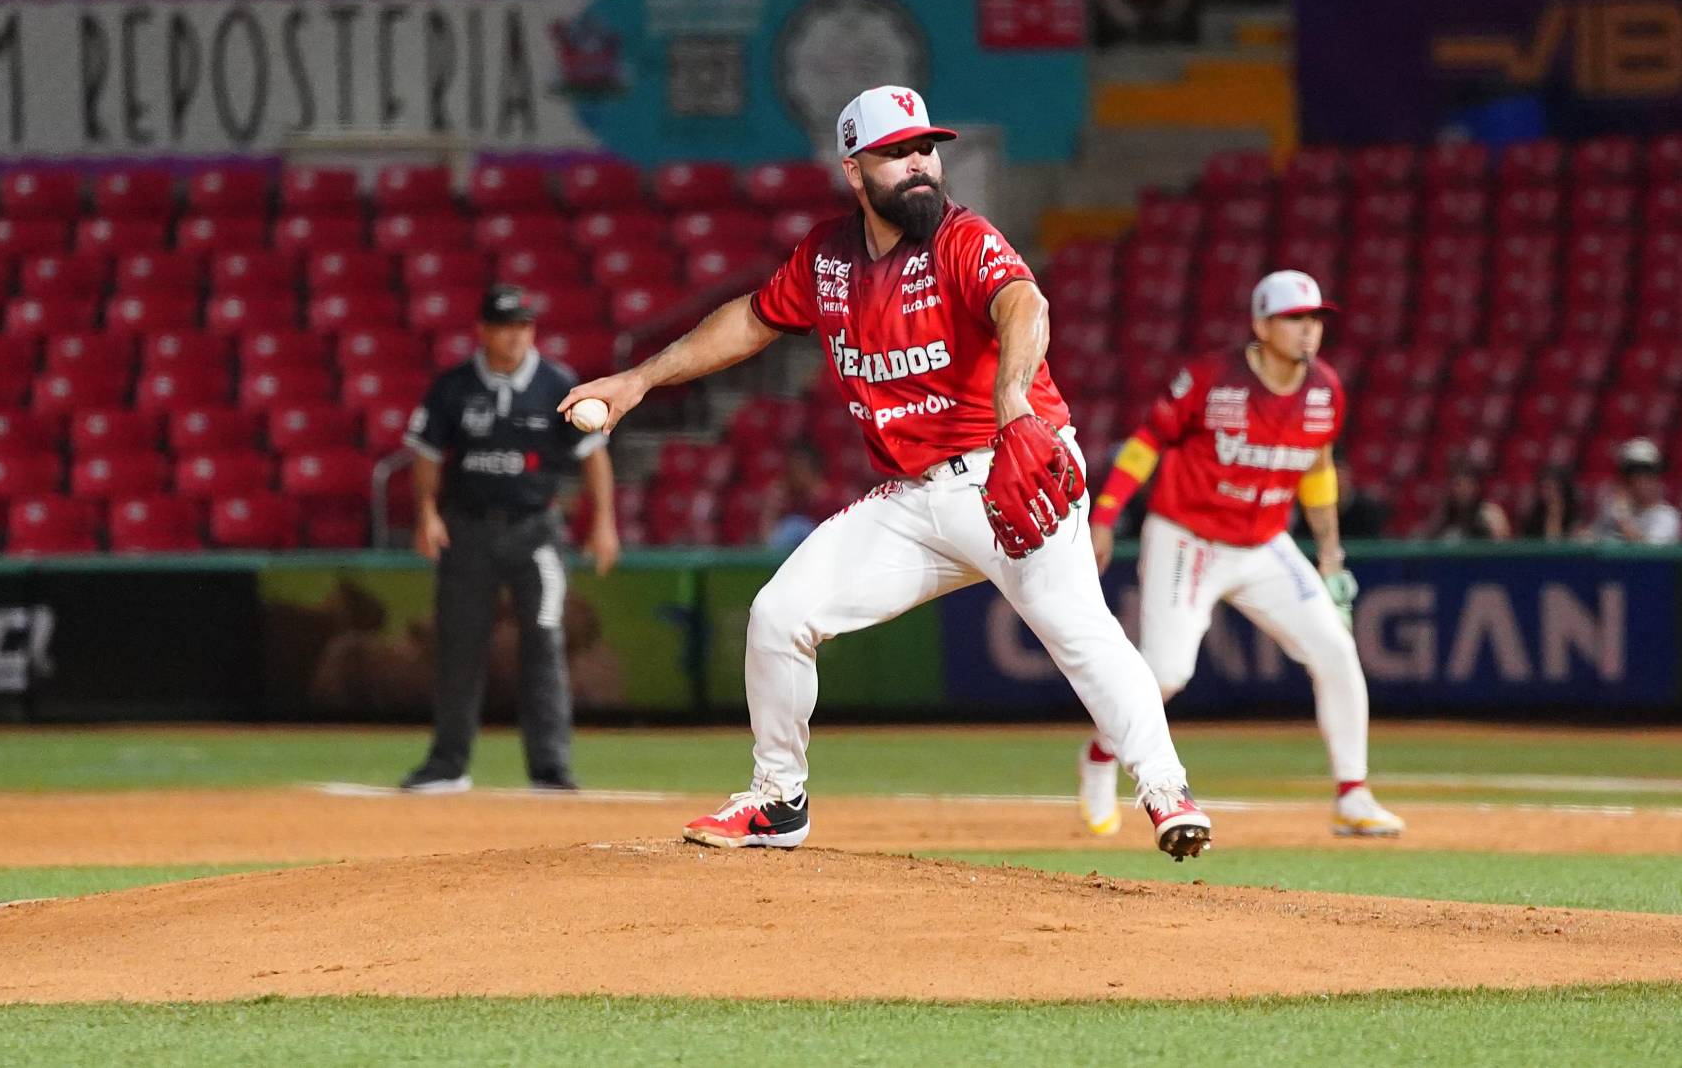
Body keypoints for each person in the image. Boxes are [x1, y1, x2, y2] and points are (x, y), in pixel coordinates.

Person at [561, 86, 1211, 859]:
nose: (919, 166)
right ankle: (778, 801)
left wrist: (1015, 408)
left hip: (1010, 469)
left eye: (925, 149)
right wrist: (637, 381)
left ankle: (1165, 789)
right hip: (910, 500)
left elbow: (1023, 304)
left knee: (1077, 629)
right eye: (896, 153)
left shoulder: (963, 240)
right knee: (778, 616)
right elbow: (751, 319)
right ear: (854, 170)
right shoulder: (827, 257)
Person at [1083, 270, 1403, 838]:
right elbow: (1146, 442)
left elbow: (1318, 469)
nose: (1308, 331)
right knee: (1166, 673)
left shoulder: (1325, 389)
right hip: (1189, 535)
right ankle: (1105, 752)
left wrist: (1329, 551)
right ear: (1261, 325)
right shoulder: (1211, 379)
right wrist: (1104, 517)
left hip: (1262, 545)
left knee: (1335, 649)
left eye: (1314, 320)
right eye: (1293, 318)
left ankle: (1352, 794)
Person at [397, 285, 621, 793]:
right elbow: (427, 456)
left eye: (522, 325)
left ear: (532, 330)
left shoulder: (556, 383)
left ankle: (550, 768)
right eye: (503, 325)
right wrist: (427, 514)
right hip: (467, 530)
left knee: (544, 642)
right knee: (458, 646)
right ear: (482, 331)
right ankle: (447, 764)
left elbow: (594, 456)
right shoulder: (453, 387)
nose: (514, 335)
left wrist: (603, 521)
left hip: (535, 534)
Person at [1584, 437, 1682, 545]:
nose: (1640, 480)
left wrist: (1623, 519)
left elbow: (1649, 554)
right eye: (1632, 472)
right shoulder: (1612, 508)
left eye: (1647, 473)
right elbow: (1591, 538)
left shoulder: (1667, 516)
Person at [1420, 454, 1512, 541]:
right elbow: (1429, 542)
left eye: (1467, 485)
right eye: (1458, 485)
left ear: (1476, 487)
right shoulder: (1443, 514)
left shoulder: (1490, 512)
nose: (1463, 491)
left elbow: (1503, 547)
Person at [766, 446, 831, 552]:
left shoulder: (832, 500)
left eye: (796, 469)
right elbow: (768, 543)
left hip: (826, 556)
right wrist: (770, 510)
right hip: (796, 559)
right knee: (793, 525)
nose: (792, 475)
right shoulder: (794, 500)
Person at [1331, 458, 1391, 540]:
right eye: (1333, 478)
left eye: (1341, 478)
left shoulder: (1368, 511)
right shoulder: (1314, 510)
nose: (1338, 483)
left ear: (1349, 479)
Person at [1517, 465, 1580, 540]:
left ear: (1563, 490)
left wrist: (1556, 517)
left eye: (1551, 488)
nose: (1547, 494)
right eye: (1543, 488)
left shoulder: (1574, 515)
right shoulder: (1534, 517)